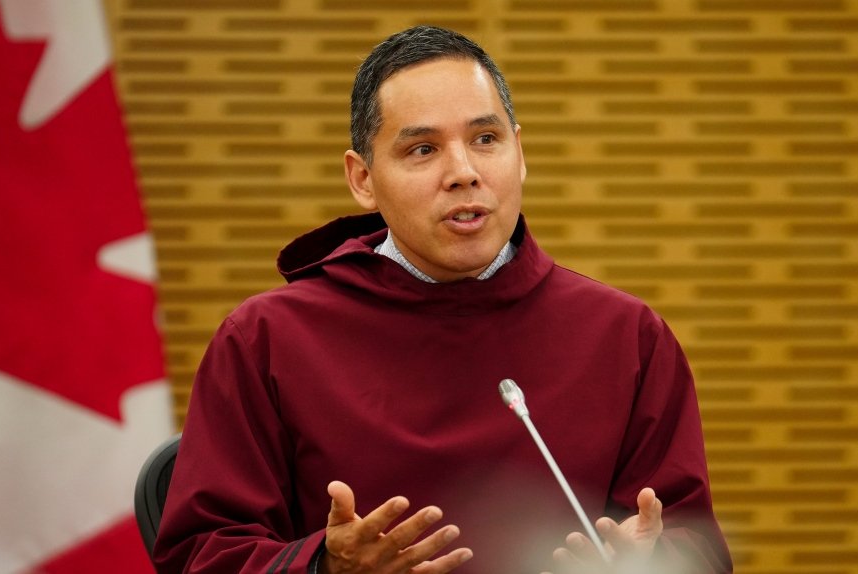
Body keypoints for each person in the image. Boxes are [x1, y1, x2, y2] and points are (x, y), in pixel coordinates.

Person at [153, 25, 733, 574]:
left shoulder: (625, 336)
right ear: (363, 179)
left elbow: (693, 542)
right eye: (423, 149)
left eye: (486, 139)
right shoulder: (268, 340)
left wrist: (644, 561)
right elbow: (200, 551)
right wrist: (325, 565)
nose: (463, 172)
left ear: (520, 153)